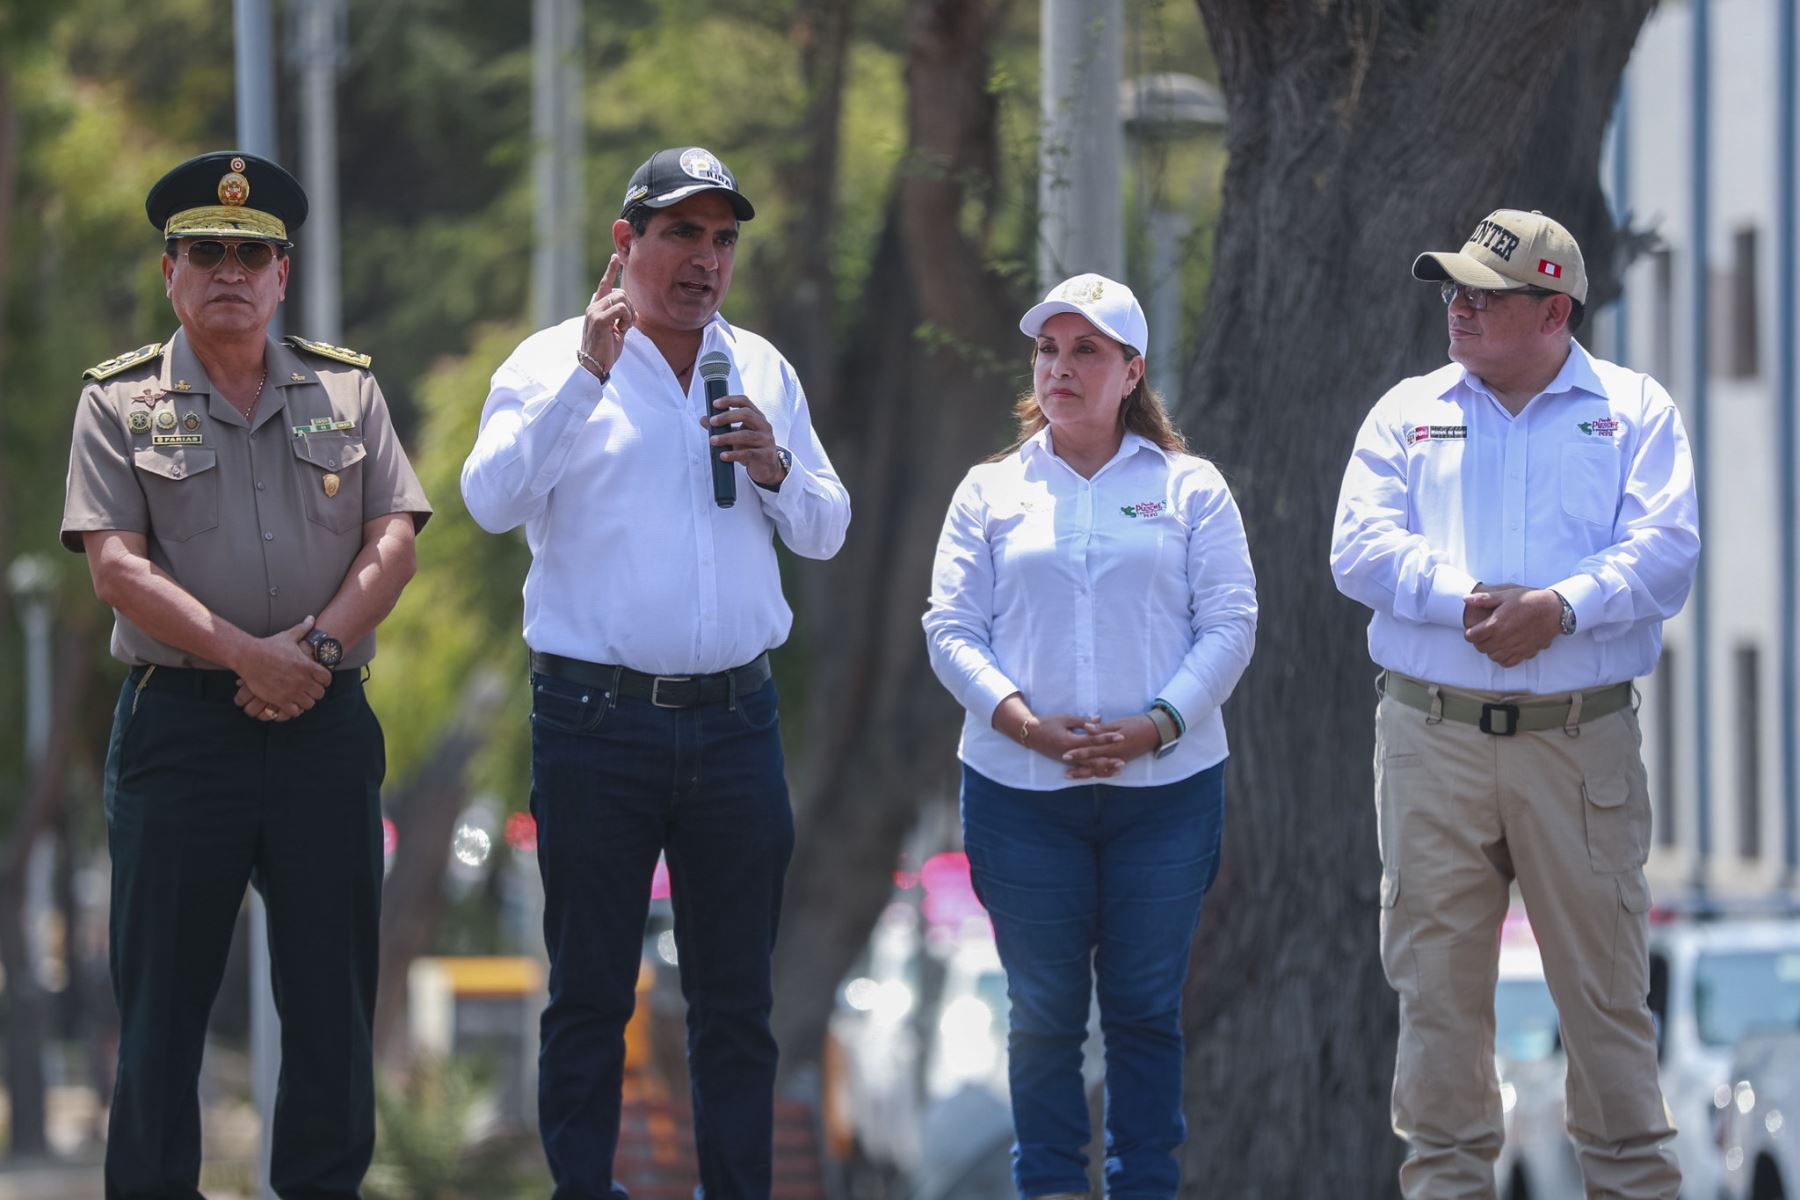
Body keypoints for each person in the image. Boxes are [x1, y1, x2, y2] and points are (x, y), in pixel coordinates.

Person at [461, 145, 850, 1199]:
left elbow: (825, 528)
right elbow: (490, 500)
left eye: (723, 239)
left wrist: (772, 463)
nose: (706, 261)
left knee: (737, 1007)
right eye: (682, 233)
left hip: (734, 724)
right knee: (590, 994)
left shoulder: (759, 366)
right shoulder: (549, 363)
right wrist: (587, 375)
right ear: (626, 242)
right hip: (596, 722)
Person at [61, 150, 431, 1198]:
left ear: (282, 274)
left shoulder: (347, 390)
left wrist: (309, 656)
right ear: (169, 271)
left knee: (331, 1014)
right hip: (183, 730)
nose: (230, 268)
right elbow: (116, 568)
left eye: (252, 253)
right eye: (206, 251)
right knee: (163, 1015)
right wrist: (248, 656)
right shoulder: (118, 403)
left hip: (323, 726)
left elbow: (393, 538)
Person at [1330, 208, 1699, 1199]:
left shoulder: (1634, 409)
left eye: (1483, 295)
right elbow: (1357, 549)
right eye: (1452, 290)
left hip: (1580, 745)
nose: (1457, 307)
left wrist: (1562, 609)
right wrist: (1471, 603)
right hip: (1429, 737)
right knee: (1438, 1013)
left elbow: (1668, 554)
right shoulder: (1406, 411)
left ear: (1553, 310)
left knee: (1606, 1007)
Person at [922, 273, 1257, 1200]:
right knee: (1042, 1018)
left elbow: (1231, 623)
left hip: (1168, 796)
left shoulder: (1191, 488)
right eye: (1048, 350)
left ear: (1131, 370)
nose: (1061, 368)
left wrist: (1159, 726)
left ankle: (1145, 1186)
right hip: (1020, 798)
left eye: (1086, 351)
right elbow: (949, 628)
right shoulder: (991, 490)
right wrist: (1024, 723)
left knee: (1147, 1013)